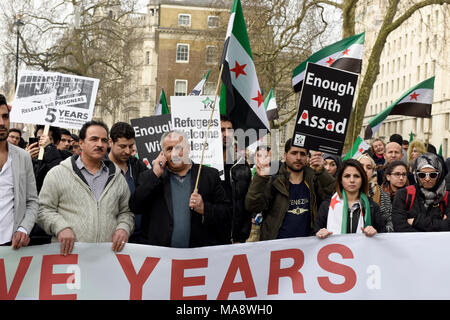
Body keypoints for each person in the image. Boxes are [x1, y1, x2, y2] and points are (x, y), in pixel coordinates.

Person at [37, 120, 134, 256]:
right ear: (81, 143)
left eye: (104, 140)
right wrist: (60, 227)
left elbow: (126, 212)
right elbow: (43, 210)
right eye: (94, 139)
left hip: (107, 257)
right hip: (68, 258)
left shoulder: (117, 177)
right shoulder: (58, 173)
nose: (100, 144)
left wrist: (123, 228)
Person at [129, 130, 231, 248]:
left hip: (197, 255)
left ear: (188, 149)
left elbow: (227, 212)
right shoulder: (151, 176)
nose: (174, 154)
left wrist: (204, 209)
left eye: (179, 148)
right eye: (169, 149)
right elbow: (135, 206)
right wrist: (154, 175)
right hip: (162, 256)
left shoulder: (209, 176)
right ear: (162, 154)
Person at [245, 138, 335, 240]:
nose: (298, 157)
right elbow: (252, 206)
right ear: (285, 155)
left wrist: (322, 172)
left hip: (308, 248)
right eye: (294, 153)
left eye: (302, 154)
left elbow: (335, 196)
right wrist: (261, 177)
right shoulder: (274, 182)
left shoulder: (314, 181)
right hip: (276, 246)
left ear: (307, 157)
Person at [0, 94, 38, 249]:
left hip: (12, 248)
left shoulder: (23, 157)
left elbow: (32, 201)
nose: (1, 123)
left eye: (5, 116)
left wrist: (23, 229)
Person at [314, 159, 385, 239]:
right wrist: (319, 233)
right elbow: (315, 232)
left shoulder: (372, 207)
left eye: (356, 176)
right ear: (340, 180)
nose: (352, 180)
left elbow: (383, 236)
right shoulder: (327, 205)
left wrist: (376, 233)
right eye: (347, 176)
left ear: (362, 180)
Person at [108, 122, 149, 243]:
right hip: (112, 238)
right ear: (111, 142)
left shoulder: (138, 165)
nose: (128, 151)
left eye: (131, 146)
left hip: (139, 237)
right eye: (122, 146)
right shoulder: (101, 167)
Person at [392, 152, 450, 232]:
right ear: (416, 175)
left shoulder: (447, 196)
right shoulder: (404, 194)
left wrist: (416, 221)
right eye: (422, 175)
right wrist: (439, 224)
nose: (427, 179)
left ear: (439, 175)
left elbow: (448, 226)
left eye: (433, 175)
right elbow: (399, 226)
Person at [221, 116, 252, 243]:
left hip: (235, 239)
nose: (226, 134)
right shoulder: (204, 166)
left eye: (229, 129)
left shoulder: (242, 166)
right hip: (209, 239)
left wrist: (241, 236)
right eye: (222, 130)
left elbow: (247, 205)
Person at [357, 154, 394, 232]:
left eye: (369, 167)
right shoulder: (344, 192)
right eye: (361, 166)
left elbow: (389, 222)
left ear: (373, 171)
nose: (365, 170)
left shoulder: (383, 194)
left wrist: (379, 232)